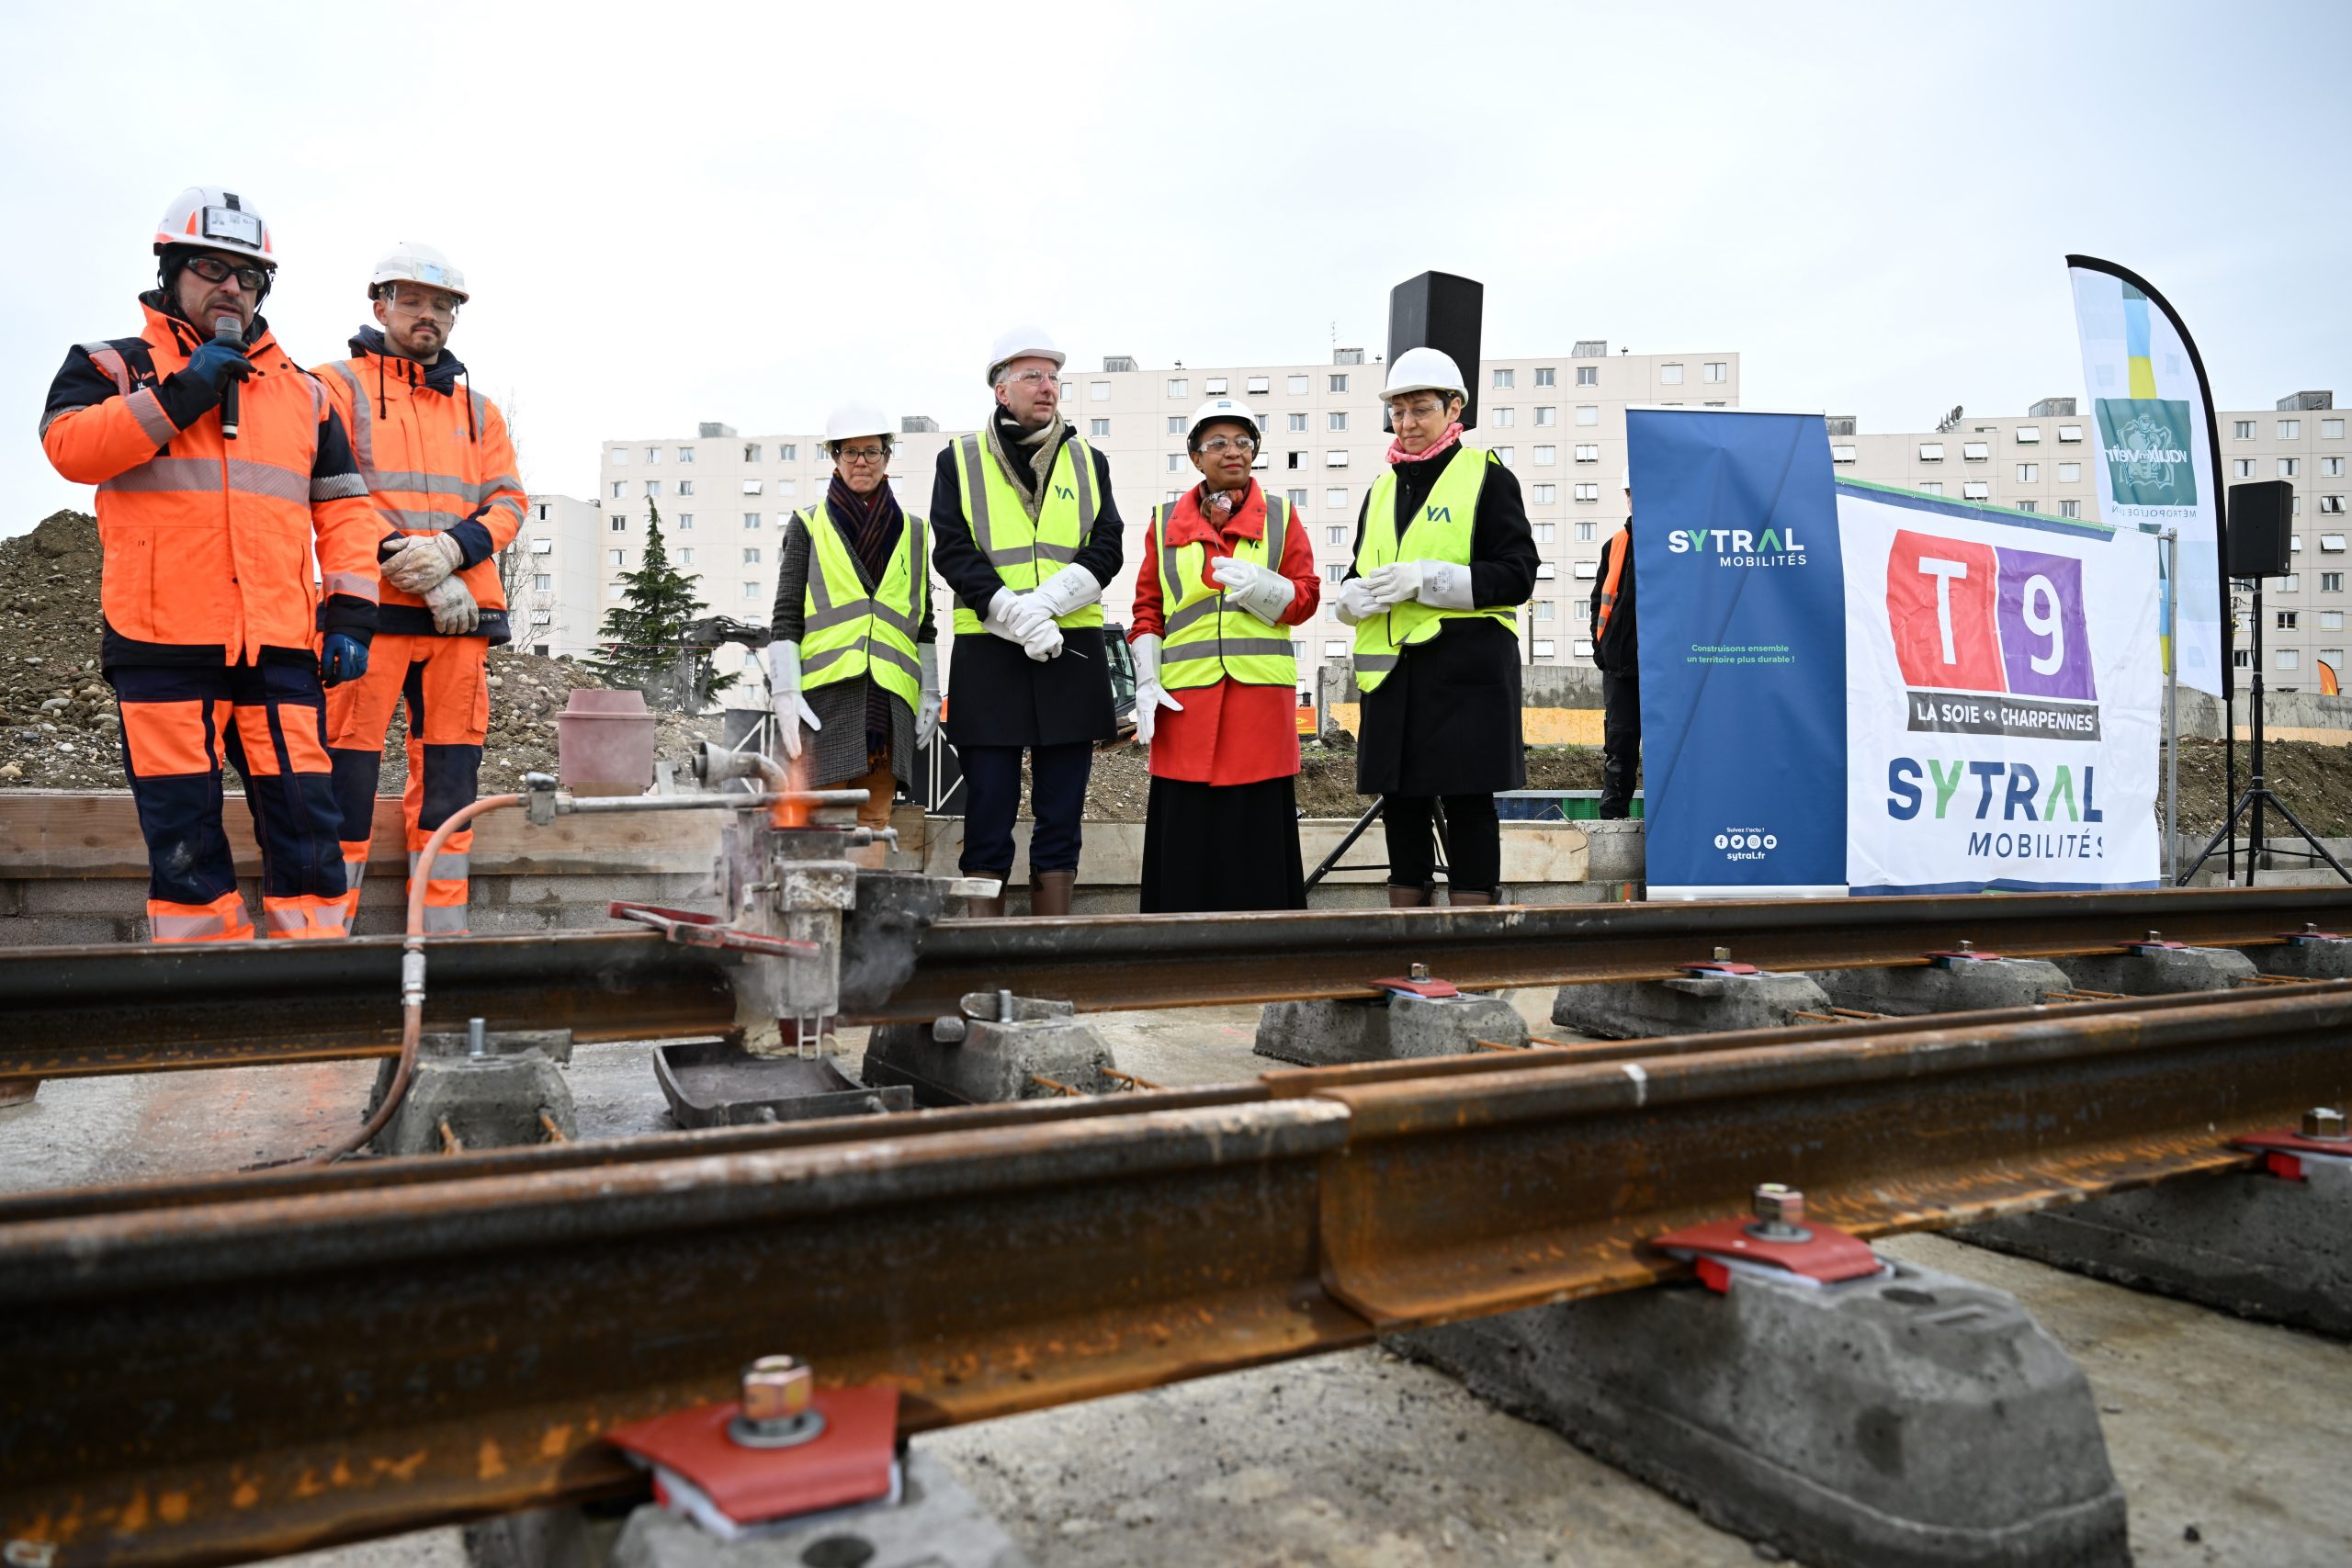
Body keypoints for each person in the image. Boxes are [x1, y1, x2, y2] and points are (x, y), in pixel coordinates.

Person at [40, 186, 386, 942]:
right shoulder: (112, 365)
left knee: (310, 831)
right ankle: (203, 1003)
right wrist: (183, 393)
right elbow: (69, 448)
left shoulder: (306, 393)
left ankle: (315, 987)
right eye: (211, 268)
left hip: (281, 650)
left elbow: (347, 513)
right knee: (185, 841)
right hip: (161, 644)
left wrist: (353, 612)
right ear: (170, 271)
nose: (231, 288)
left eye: (249, 276)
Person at [316, 243, 526, 935]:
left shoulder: (479, 410)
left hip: (461, 619)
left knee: (449, 784)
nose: (428, 315)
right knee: (342, 776)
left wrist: (450, 555)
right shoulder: (335, 387)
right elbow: (328, 488)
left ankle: (439, 943)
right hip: (370, 612)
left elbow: (508, 502)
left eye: (442, 305)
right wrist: (405, 559)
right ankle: (325, 937)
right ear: (379, 305)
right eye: (413, 301)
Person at [930, 327, 1124, 917]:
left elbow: (1107, 545)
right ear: (1000, 390)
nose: (1048, 388)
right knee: (988, 804)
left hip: (1071, 649)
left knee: (1061, 807)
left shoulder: (1090, 461)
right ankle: (984, 944)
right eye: (1033, 376)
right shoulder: (957, 460)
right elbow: (953, 547)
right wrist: (1010, 610)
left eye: (1053, 377)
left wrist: (1049, 602)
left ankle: (1049, 939)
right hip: (990, 654)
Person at [1334, 347, 1538, 907]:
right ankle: (1411, 939)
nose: (1408, 423)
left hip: (1463, 673)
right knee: (1401, 803)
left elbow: (1516, 575)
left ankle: (1470, 942)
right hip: (1395, 674)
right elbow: (1362, 570)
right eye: (1398, 412)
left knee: (1467, 802)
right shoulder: (1380, 490)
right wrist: (1350, 597)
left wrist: (1428, 579)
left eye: (1420, 409)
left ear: (1455, 409)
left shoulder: (1488, 478)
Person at [1128, 398, 1321, 912]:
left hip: (1257, 706)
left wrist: (1264, 587)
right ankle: (1176, 951)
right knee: (1185, 835)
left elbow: (1306, 599)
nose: (1232, 452)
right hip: (1184, 706)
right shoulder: (1164, 521)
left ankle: (1263, 950)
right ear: (1195, 457)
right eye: (1217, 443)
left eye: (1243, 442)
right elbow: (1147, 611)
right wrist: (1146, 682)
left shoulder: (1280, 516)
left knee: (1254, 835)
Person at [768, 405, 941, 868]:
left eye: (870, 451)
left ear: (887, 457)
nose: (860, 461)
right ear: (834, 458)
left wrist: (931, 691)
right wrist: (784, 689)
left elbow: (924, 624)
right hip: (826, 698)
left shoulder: (916, 532)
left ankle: (863, 923)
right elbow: (785, 616)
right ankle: (819, 922)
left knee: (874, 820)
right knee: (821, 816)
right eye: (850, 453)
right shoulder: (808, 524)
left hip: (889, 701)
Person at [1590, 471, 1640, 818]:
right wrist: (1601, 647)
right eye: (1630, 493)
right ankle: (1613, 819)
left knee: (1672, 747)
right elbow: (1600, 601)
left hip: (1665, 668)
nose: (1635, 499)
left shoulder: (1677, 540)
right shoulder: (1616, 543)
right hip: (1620, 666)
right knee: (1619, 745)